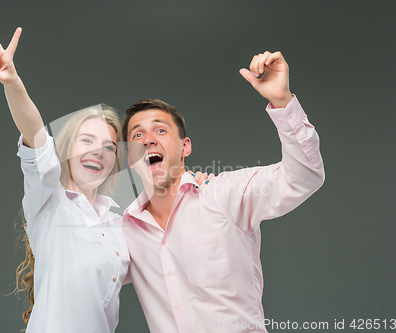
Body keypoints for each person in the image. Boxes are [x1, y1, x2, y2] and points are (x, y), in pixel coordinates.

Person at [0, 24, 211, 333]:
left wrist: (194, 186)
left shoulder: (118, 225)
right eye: (86, 141)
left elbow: (167, 242)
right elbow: (34, 133)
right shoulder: (49, 200)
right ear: (64, 149)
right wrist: (12, 83)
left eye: (108, 147)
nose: (98, 152)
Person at [120, 51, 325, 332]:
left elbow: (304, 176)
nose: (148, 141)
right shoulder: (124, 231)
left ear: (185, 147)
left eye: (161, 131)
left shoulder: (225, 193)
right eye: (137, 135)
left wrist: (281, 102)